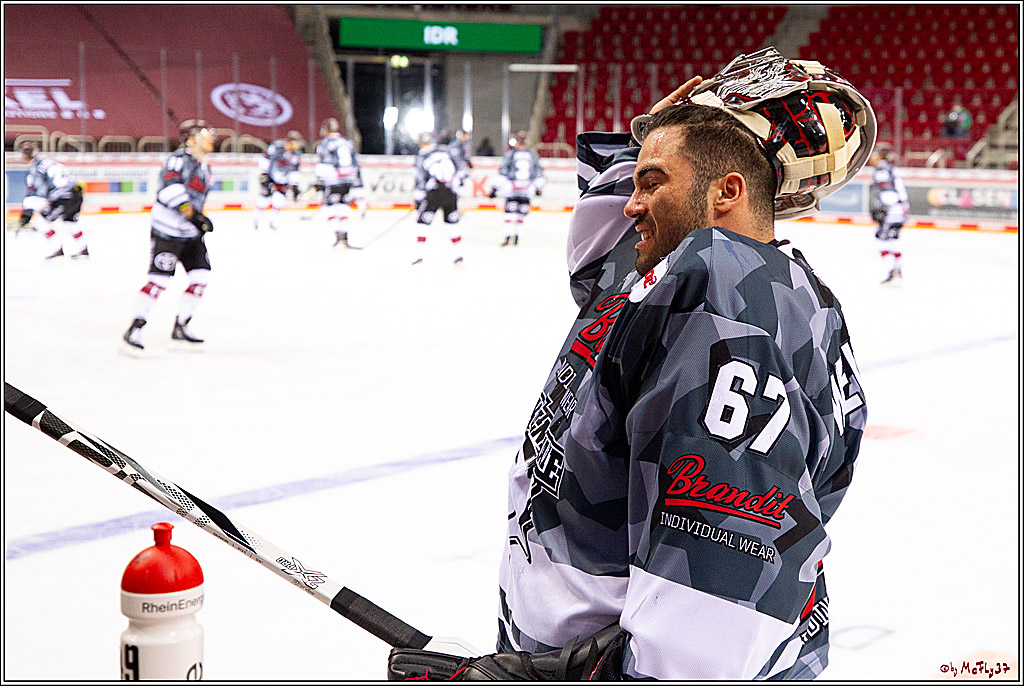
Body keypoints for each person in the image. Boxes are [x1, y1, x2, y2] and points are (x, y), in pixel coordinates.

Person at [387, 47, 875, 680]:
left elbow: (715, 596)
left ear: (727, 194)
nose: (629, 202)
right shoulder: (674, 279)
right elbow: (596, 255)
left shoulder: (731, 289)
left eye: (652, 182)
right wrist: (665, 133)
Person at [122, 120, 215, 353]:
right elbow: (169, 190)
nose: (211, 136)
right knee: (160, 280)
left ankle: (182, 325)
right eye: (205, 133)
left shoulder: (204, 167)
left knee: (201, 276)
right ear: (191, 139)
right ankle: (135, 327)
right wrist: (193, 216)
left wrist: (197, 220)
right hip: (168, 232)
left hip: (190, 234)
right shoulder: (178, 160)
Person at [19, 141, 89, 259]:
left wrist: (28, 210)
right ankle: (83, 249)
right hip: (76, 194)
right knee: (69, 222)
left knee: (40, 220)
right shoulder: (48, 162)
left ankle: (57, 249)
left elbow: (41, 192)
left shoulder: (36, 168)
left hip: (64, 197)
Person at [411, 131, 466, 266]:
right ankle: (459, 254)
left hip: (434, 192)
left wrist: (418, 198)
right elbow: (462, 169)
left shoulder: (422, 156)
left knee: (422, 223)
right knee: (451, 223)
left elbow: (419, 176)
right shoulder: (446, 150)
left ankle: (419, 255)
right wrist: (457, 186)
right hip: (450, 192)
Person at [490, 130, 546, 246]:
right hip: (527, 188)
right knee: (521, 214)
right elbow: (538, 173)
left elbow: (504, 171)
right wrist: (538, 187)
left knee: (510, 213)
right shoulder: (532, 155)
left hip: (512, 187)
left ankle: (507, 236)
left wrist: (495, 188)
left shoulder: (511, 154)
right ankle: (517, 236)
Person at [314, 118, 362, 248]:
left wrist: (320, 180)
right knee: (343, 206)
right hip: (348, 181)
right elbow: (355, 164)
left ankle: (337, 236)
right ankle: (345, 236)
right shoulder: (347, 142)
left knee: (328, 208)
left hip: (333, 180)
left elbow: (324, 164)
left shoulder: (325, 144)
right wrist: (358, 186)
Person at [869, 143, 910, 284]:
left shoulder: (882, 171)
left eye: (874, 154)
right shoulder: (892, 169)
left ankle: (890, 271)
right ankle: (898, 268)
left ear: (879, 155)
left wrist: (883, 208)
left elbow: (887, 192)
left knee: (880, 239)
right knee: (894, 239)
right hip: (900, 210)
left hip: (891, 211)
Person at [254, 130, 303, 231]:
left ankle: (273, 221)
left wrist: (294, 185)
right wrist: (264, 174)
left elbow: (294, 170)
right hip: (270, 176)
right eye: (295, 142)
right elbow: (265, 159)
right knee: (264, 198)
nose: (297, 145)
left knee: (279, 200)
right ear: (289, 141)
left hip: (283, 179)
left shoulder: (296, 154)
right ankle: (257, 219)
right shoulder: (276, 147)